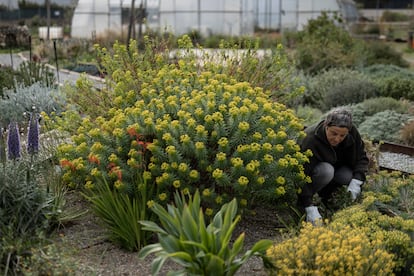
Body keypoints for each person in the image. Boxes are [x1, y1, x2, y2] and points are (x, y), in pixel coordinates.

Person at [298, 107, 369, 224]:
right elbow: (300, 175)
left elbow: (361, 157)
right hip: (316, 173)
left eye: (342, 136)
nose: (337, 139)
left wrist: (357, 181)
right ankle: (306, 202)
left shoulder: (352, 133)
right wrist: (308, 206)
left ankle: (327, 198)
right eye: (334, 133)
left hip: (338, 169)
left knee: (348, 176)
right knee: (327, 171)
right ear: (326, 126)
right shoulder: (310, 139)